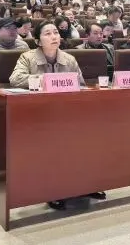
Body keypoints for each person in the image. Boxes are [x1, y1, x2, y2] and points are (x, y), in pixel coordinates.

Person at [9, 20, 94, 210]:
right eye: (47, 33)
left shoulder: (69, 59)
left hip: (66, 113)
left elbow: (80, 85)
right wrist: (47, 80)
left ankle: (84, 185)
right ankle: (52, 190)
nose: (54, 36)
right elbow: (15, 79)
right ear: (38, 40)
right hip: (38, 114)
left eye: (56, 32)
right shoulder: (27, 57)